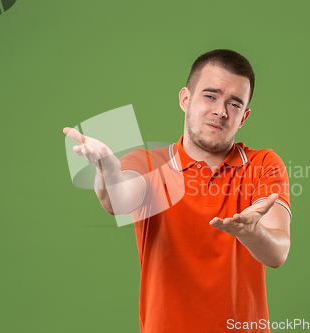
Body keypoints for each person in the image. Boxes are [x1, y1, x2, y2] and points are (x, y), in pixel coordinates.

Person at [63, 49, 291, 333]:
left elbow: (278, 253)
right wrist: (109, 170)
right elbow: (119, 201)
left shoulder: (263, 164)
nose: (221, 111)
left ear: (243, 117)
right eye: (210, 95)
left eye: (234, 104)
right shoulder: (148, 163)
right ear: (185, 99)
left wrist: (250, 232)